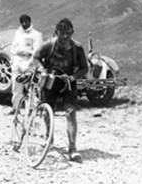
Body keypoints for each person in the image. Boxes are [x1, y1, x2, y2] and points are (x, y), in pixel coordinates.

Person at [34, 18, 88, 162]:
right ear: (56, 32)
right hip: (50, 82)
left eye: (68, 33)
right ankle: (49, 138)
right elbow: (36, 58)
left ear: (73, 32)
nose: (65, 36)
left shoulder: (78, 48)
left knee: (71, 114)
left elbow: (85, 68)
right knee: (48, 110)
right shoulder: (48, 46)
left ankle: (72, 148)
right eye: (62, 33)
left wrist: (73, 77)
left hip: (68, 83)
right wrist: (41, 69)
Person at [10, 14, 43, 114]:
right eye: (22, 22)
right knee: (16, 85)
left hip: (29, 60)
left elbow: (37, 50)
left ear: (30, 21)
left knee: (30, 86)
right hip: (17, 60)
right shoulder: (18, 33)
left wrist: (30, 62)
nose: (24, 24)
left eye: (26, 22)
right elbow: (13, 47)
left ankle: (33, 108)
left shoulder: (36, 34)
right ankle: (15, 108)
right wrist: (13, 60)